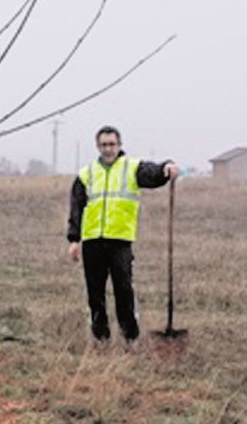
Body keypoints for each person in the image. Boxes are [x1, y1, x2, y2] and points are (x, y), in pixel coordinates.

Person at [67, 125, 178, 348]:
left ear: (119, 145)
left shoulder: (132, 168)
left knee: (124, 290)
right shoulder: (86, 174)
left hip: (120, 241)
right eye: (104, 144)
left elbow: (153, 173)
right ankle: (101, 339)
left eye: (112, 144)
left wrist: (166, 167)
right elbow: (76, 208)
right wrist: (73, 240)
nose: (108, 149)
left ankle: (130, 338)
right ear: (98, 146)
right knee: (95, 294)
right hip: (93, 241)